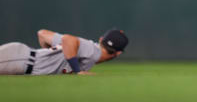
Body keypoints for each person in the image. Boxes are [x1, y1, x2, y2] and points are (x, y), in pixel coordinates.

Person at [0, 28, 128, 75]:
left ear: (101, 39)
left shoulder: (91, 53)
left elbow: (42, 33)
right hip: (20, 59)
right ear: (118, 53)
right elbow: (68, 39)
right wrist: (78, 71)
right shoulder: (93, 50)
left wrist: (49, 54)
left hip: (21, 59)